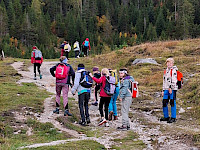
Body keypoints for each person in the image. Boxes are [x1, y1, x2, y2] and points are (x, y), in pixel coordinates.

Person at [160, 58, 178, 123]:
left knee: (172, 102)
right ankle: (166, 117)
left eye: (170, 63)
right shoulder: (166, 71)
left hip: (172, 89)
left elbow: (174, 80)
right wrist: (163, 90)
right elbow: (164, 81)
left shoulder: (173, 71)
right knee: (164, 102)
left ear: (172, 64)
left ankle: (173, 117)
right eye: (168, 63)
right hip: (166, 89)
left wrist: (171, 87)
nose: (169, 64)